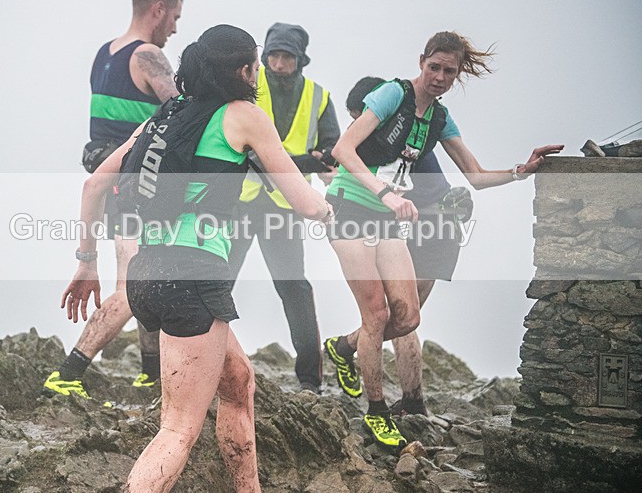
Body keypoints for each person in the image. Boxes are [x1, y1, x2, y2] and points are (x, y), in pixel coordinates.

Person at [61, 24, 333, 493]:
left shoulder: (166, 115)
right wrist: (330, 208)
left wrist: (87, 263)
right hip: (192, 280)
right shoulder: (244, 115)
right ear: (245, 70)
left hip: (146, 276)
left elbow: (94, 185)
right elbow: (306, 203)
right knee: (178, 429)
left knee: (239, 382)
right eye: (254, 68)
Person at [323, 31, 563, 452]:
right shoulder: (389, 95)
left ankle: (344, 347)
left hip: (386, 217)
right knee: (376, 314)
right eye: (433, 67)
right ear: (421, 61)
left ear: (457, 76)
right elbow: (344, 149)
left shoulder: (439, 119)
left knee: (409, 318)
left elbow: (475, 176)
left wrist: (522, 170)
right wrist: (386, 194)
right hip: (349, 207)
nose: (439, 77)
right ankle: (377, 413)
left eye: (448, 72)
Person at [44, 0, 183, 401]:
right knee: (133, 284)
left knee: (140, 270)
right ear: (157, 9)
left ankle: (149, 371)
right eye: (175, 17)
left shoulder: (105, 53)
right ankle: (69, 372)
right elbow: (180, 113)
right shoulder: (149, 55)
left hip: (109, 173)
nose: (175, 29)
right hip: (131, 180)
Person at [324, 76, 474, 417]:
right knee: (393, 316)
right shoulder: (402, 135)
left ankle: (405, 397)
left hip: (428, 226)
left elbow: (386, 182)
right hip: (433, 225)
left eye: (358, 117)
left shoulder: (399, 136)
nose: (357, 127)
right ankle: (410, 400)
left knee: (398, 317)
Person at [229, 23, 341, 394]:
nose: (278, 63)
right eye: (273, 55)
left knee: (293, 287)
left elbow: (331, 154)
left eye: (286, 56)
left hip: (284, 207)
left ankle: (309, 380)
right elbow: (238, 143)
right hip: (242, 202)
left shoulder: (319, 97)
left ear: (300, 60)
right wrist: (303, 162)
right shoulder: (247, 85)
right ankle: (207, 360)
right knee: (219, 282)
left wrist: (310, 161)